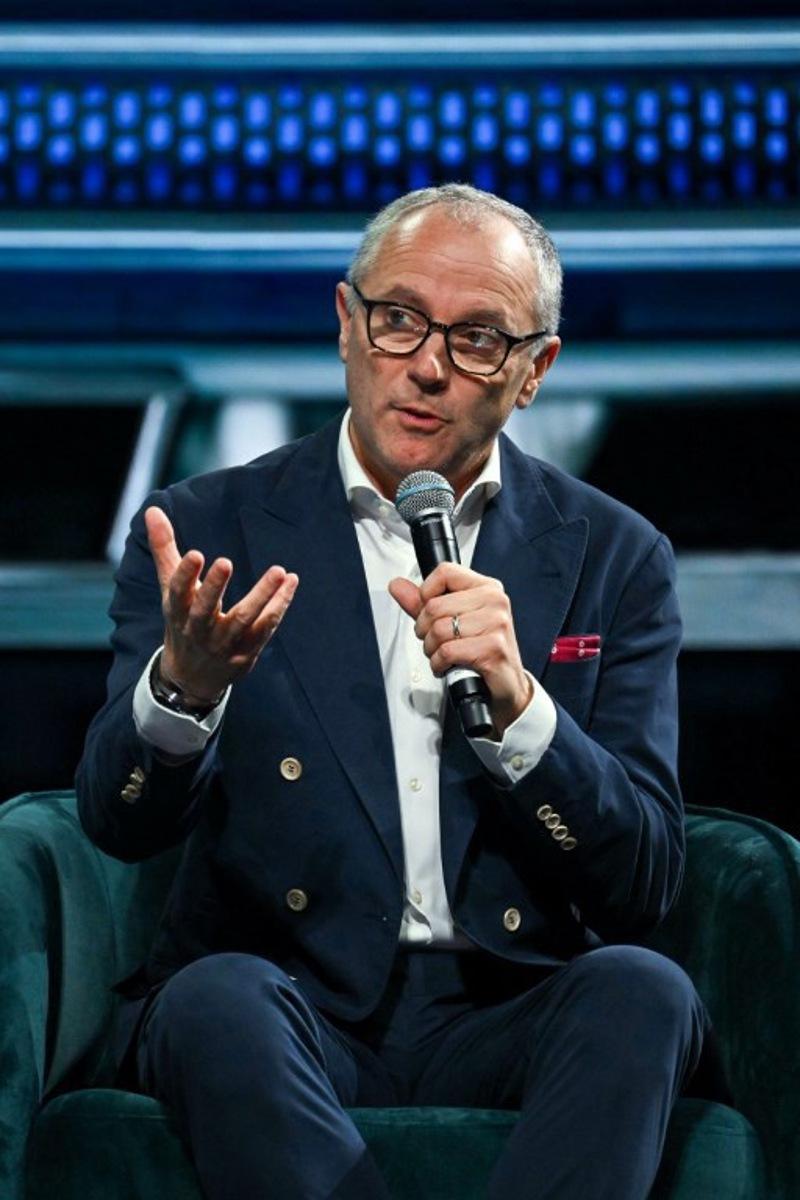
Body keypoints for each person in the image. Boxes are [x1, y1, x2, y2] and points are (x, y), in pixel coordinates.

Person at [76, 183, 708, 1200]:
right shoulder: (207, 526)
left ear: (534, 369)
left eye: (475, 339)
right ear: (344, 325)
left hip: (508, 1003)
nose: (423, 364)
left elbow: (640, 882)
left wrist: (519, 709)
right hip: (287, 1001)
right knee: (214, 999)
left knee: (643, 990)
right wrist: (182, 696)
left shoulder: (613, 554)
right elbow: (116, 818)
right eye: (398, 318)